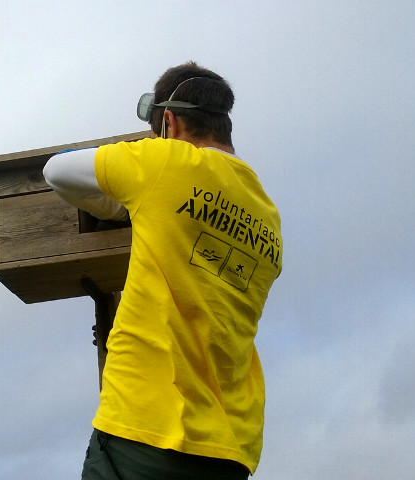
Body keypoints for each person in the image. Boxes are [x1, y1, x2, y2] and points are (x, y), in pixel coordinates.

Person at [43, 61, 282, 479]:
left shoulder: (163, 161)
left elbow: (56, 170)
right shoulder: (265, 210)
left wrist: (123, 202)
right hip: (230, 446)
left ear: (168, 122)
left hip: (145, 428)